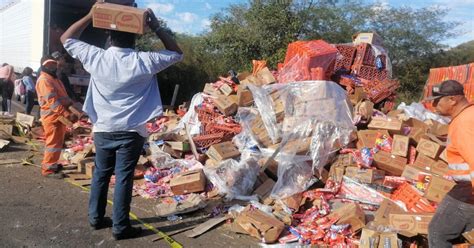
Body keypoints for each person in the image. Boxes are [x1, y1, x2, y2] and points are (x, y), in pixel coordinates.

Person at [60, 6, 183, 240]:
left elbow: (67, 38)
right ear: (136, 37)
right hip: (132, 131)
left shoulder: (96, 56)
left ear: (109, 36)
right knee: (124, 177)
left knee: (101, 174)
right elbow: (176, 53)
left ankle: (96, 219)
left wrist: (91, 14)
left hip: (103, 129)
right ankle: (120, 227)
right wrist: (156, 26)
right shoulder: (144, 61)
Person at [426, 80, 474, 247]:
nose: (433, 105)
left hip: (469, 191)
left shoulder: (463, 123)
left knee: (438, 233)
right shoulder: (469, 115)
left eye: (437, 100)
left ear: (452, 100)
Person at [36, 56, 75, 179]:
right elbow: (53, 102)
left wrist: (73, 107)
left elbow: (63, 96)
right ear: (43, 66)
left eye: (54, 65)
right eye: (49, 65)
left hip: (58, 117)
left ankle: (53, 164)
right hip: (52, 117)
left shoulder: (54, 78)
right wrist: (66, 113)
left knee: (57, 142)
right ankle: (48, 170)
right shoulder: (44, 80)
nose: (52, 67)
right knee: (52, 144)